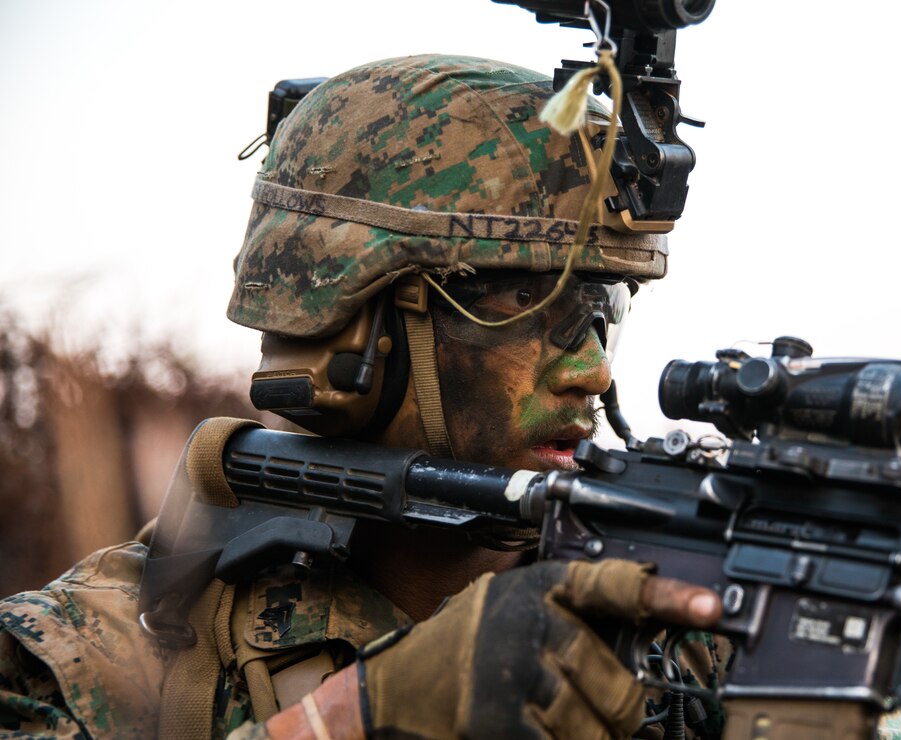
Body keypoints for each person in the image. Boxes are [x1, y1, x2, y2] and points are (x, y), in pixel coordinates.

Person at [0, 54, 726, 739]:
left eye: (603, 313)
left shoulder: (687, 631)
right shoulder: (81, 657)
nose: (592, 373)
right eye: (522, 301)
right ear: (354, 330)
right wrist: (363, 714)